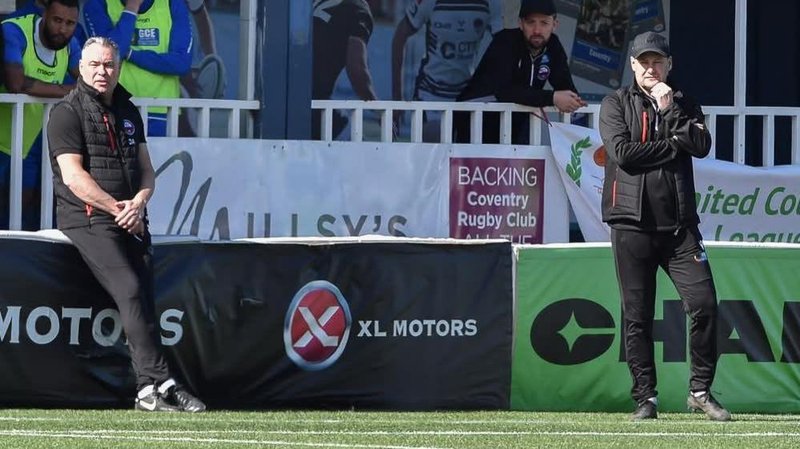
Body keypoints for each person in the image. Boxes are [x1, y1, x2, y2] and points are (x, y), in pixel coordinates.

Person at [46, 36, 205, 412]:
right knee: (130, 289)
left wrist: (139, 202)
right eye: (96, 65)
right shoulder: (66, 112)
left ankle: (150, 391)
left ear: (117, 68)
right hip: (87, 220)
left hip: (131, 217)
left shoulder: (129, 109)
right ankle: (159, 384)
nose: (103, 72)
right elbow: (73, 178)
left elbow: (147, 171)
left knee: (144, 297)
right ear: (82, 68)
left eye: (109, 65)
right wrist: (118, 209)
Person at [598, 31, 730, 422]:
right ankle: (646, 398)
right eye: (644, 62)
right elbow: (622, 154)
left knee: (705, 305)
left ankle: (700, 391)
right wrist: (674, 145)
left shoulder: (685, 103)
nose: (651, 68)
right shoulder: (614, 102)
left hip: (680, 227)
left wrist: (669, 110)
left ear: (669, 65)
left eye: (658, 61)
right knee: (637, 315)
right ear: (633, 65)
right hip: (630, 224)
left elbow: (701, 145)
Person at [455, 0, 585, 144]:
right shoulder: (505, 41)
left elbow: (565, 86)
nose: (537, 30)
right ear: (521, 23)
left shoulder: (553, 45)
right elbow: (505, 91)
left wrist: (573, 100)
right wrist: (553, 98)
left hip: (516, 124)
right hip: (476, 123)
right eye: (531, 22)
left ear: (554, 25)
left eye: (544, 23)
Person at [0, 0, 81, 230]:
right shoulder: (14, 30)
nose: (62, 29)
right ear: (44, 13)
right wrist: (68, 90)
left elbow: (90, 81)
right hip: (2, 138)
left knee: (18, 213)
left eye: (70, 23)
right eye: (57, 20)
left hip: (25, 143)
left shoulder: (70, 44)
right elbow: (15, 82)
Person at [391, 0, 501, 141]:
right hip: (431, 94)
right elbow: (400, 36)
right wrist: (397, 98)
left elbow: (504, 43)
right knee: (434, 147)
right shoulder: (428, 3)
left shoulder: (491, 4)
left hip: (466, 95)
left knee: (465, 155)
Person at [83, 0, 192, 137]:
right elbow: (112, 53)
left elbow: (181, 63)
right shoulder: (98, 4)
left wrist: (131, 54)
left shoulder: (173, 3)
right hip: (115, 109)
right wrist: (132, 6)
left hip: (163, 113)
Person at [312, 0, 377, 140]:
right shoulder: (358, 8)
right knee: (360, 150)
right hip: (311, 104)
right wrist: (379, 111)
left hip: (283, 97)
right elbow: (357, 69)